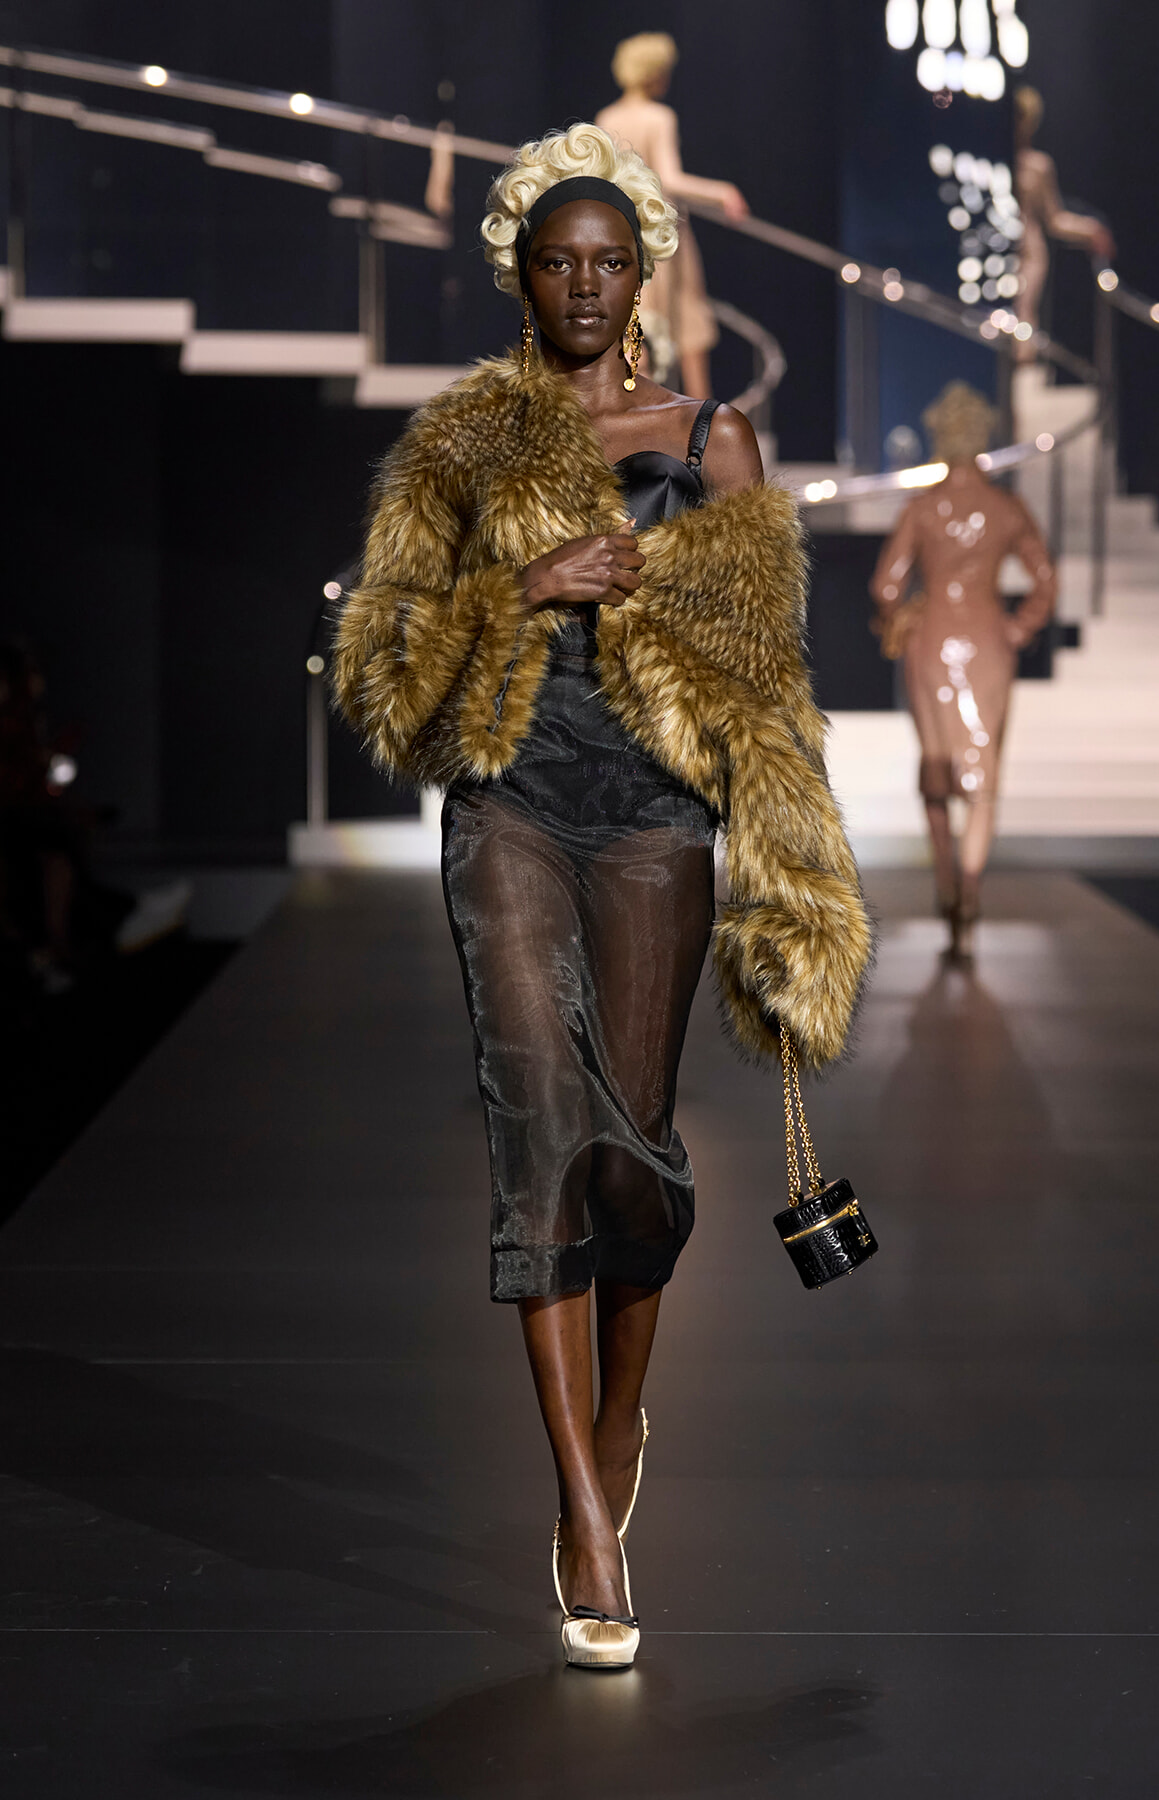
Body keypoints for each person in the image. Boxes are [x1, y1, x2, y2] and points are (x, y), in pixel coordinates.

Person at [334, 123, 869, 1670]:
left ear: (645, 271)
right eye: (555, 261)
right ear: (521, 272)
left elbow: (765, 687)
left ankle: (626, 1414)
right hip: (509, 804)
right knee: (537, 1124)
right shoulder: (459, 446)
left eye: (608, 259)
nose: (581, 282)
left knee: (635, 1150)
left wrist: (789, 888)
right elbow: (384, 672)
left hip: (654, 822)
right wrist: (526, 586)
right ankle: (580, 1506)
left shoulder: (716, 439)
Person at [870, 382, 1056, 959]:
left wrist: (902, 613)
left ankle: (947, 885)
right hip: (986, 638)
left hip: (932, 639)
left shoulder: (922, 508)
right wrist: (1018, 627)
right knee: (981, 774)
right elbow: (1046, 583)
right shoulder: (1006, 509)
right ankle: (971, 889)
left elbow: (884, 585)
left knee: (937, 769)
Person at [596, 32, 747, 398]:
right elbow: (669, 177)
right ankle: (705, 436)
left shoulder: (607, 117)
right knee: (687, 332)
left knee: (637, 332)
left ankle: (632, 429)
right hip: (662, 238)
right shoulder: (659, 117)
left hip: (624, 236)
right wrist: (721, 191)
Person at [1014, 85, 1115, 362]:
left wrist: (1090, 229)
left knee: (1022, 313)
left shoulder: (1039, 165)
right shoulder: (987, 159)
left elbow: (1055, 218)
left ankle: (1015, 397)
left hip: (1029, 252)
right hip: (993, 246)